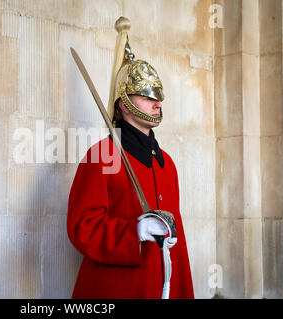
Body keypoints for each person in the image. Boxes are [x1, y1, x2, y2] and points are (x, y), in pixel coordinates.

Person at [66, 17, 194, 299]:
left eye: (158, 95)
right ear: (123, 104)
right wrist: (132, 230)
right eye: (146, 95)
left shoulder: (167, 163)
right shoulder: (102, 155)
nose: (157, 102)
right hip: (119, 288)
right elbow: (82, 227)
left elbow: (178, 242)